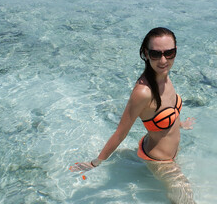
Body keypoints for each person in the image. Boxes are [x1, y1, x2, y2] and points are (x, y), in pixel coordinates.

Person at [70, 27, 196, 203]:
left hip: (170, 153)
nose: (163, 60)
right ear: (145, 53)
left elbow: (165, 111)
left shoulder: (165, 75)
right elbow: (121, 132)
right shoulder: (143, 93)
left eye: (169, 53)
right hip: (160, 161)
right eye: (155, 54)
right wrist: (95, 163)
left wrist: (180, 124)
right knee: (186, 199)